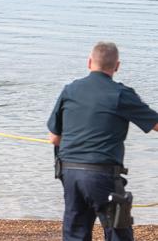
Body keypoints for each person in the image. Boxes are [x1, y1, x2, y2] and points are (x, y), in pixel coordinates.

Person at [47, 42, 158, 241]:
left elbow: (54, 138)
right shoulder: (121, 94)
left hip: (69, 173)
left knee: (75, 234)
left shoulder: (70, 90)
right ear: (117, 66)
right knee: (118, 233)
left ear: (89, 62)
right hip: (102, 174)